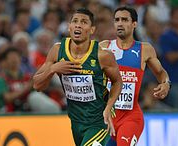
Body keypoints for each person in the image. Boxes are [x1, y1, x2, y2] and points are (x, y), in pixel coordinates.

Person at [33, 8, 123, 146]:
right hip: (76, 120)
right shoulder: (57, 50)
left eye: (84, 22)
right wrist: (53, 69)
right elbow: (37, 85)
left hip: (99, 120)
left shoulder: (103, 56)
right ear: (69, 27)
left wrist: (109, 107)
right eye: (75, 21)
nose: (78, 25)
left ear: (92, 30)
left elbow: (117, 82)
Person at [100, 6, 170, 146]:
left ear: (134, 24)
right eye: (117, 20)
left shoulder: (145, 49)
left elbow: (161, 73)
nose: (120, 23)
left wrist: (166, 83)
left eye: (124, 20)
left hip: (130, 118)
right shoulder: (103, 47)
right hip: (106, 118)